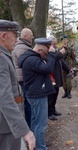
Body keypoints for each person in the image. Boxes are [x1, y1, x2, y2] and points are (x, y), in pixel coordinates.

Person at [18, 37, 65, 150]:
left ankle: (36, 144)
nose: (46, 55)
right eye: (46, 52)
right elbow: (48, 68)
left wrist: (48, 54)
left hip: (34, 93)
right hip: (37, 94)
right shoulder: (32, 60)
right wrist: (51, 55)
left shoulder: (30, 57)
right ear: (39, 49)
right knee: (41, 124)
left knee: (35, 121)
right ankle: (40, 147)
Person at [0, 20, 35, 150]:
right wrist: (25, 131)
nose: (16, 39)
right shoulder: (1, 59)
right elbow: (5, 98)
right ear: (3, 36)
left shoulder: (4, 55)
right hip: (5, 125)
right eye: (14, 35)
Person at [12, 28, 34, 128]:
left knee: (28, 102)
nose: (33, 37)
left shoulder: (24, 46)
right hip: (25, 78)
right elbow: (28, 62)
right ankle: (29, 125)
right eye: (31, 35)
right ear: (25, 36)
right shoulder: (21, 47)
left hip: (25, 78)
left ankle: (30, 123)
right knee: (29, 102)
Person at [47, 35, 71, 121]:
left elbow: (61, 61)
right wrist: (60, 53)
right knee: (51, 95)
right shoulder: (48, 50)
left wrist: (68, 69)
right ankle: (49, 113)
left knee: (55, 93)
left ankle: (53, 109)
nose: (55, 45)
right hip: (51, 77)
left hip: (57, 77)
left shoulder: (55, 50)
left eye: (56, 43)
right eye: (54, 43)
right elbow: (53, 58)